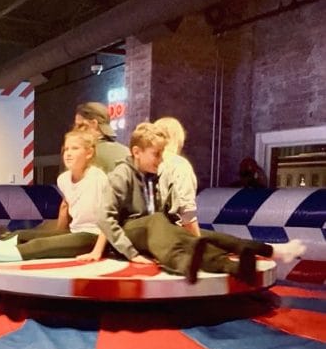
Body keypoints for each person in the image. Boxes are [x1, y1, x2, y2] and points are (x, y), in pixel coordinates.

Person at [95, 121, 306, 283]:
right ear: (136, 152)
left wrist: (179, 229)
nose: (160, 160)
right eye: (156, 155)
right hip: (133, 231)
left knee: (209, 236)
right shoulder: (121, 175)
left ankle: (235, 265)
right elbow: (105, 218)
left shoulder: (153, 176)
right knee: (162, 224)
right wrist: (130, 253)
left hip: (154, 228)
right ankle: (182, 262)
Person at [0, 130, 108, 263]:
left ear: (89, 153)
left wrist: (97, 251)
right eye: (66, 149)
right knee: (23, 235)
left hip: (92, 237)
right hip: (75, 231)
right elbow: (66, 207)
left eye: (75, 148)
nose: (68, 153)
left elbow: (109, 218)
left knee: (40, 245)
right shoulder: (63, 179)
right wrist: (59, 234)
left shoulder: (97, 178)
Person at [154, 116, 200, 237]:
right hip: (174, 235)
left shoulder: (149, 163)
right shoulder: (179, 165)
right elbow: (187, 212)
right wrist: (198, 241)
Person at [74, 102, 129, 173]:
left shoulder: (85, 155)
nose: (75, 131)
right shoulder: (127, 152)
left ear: (94, 124)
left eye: (80, 125)